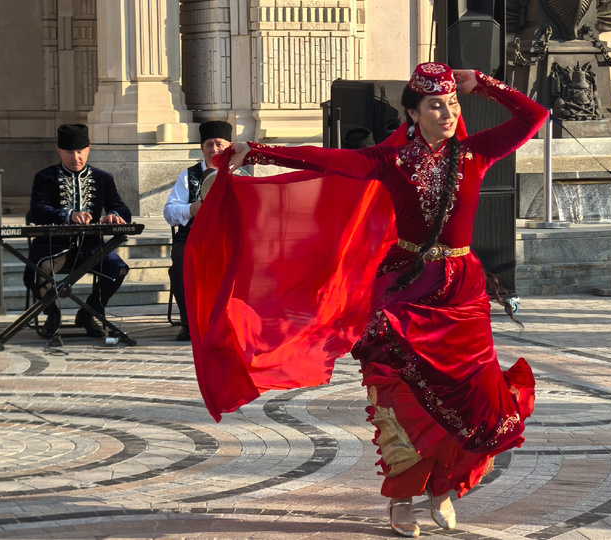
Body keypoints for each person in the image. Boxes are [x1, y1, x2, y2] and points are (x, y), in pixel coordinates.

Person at [187, 63, 546, 537]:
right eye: (436, 105)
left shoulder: (477, 152)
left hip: (462, 292)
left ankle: (443, 486)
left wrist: (483, 84)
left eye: (452, 104)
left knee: (475, 399)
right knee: (399, 398)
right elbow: (325, 160)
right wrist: (261, 151)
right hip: (405, 291)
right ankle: (401, 500)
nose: (448, 112)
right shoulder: (390, 160)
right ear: (413, 113)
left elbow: (534, 116)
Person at [25, 123, 132, 338]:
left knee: (117, 269)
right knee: (39, 268)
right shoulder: (45, 177)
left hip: (91, 246)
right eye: (70, 152)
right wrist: (68, 215)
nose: (76, 157)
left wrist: (115, 215)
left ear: (89, 149)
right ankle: (52, 312)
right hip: (52, 245)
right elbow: (37, 211)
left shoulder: (104, 178)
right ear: (59, 151)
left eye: (81, 151)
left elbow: (120, 207)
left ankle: (90, 311)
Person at [163, 120, 233, 341]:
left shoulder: (239, 174)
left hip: (228, 238)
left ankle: (230, 322)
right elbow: (169, 212)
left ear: (229, 147)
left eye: (219, 144)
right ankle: (189, 324)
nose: (214, 149)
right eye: (209, 145)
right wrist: (192, 209)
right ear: (202, 148)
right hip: (193, 237)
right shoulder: (188, 176)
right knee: (181, 264)